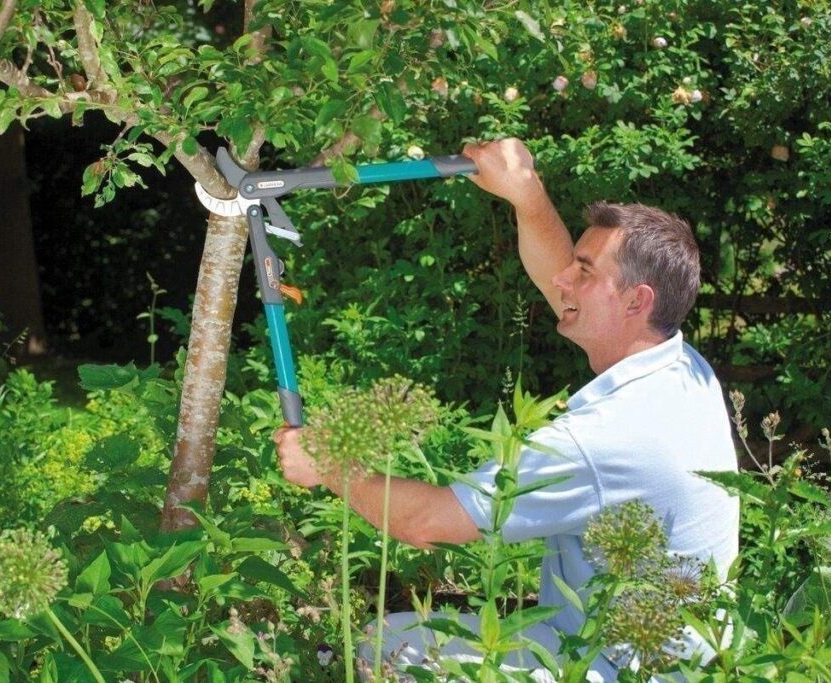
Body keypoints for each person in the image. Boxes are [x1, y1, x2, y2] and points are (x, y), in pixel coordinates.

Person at [274, 138, 739, 681]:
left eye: (584, 271)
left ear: (636, 301)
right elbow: (557, 280)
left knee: (386, 649)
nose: (564, 278)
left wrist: (325, 464)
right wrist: (527, 197)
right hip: (675, 656)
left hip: (618, 666)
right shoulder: (680, 367)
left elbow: (427, 523)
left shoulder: (606, 437)